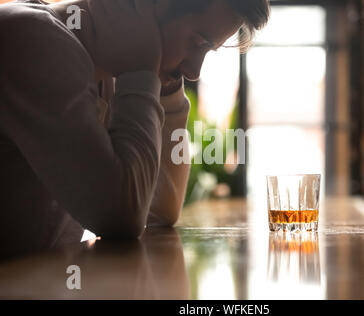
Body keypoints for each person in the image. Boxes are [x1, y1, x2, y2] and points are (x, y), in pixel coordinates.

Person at [0, 0, 269, 258]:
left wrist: (166, 88)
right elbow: (120, 219)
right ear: (146, 4)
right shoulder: (32, 38)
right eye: (197, 42)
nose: (195, 71)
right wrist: (142, 72)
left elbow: (158, 211)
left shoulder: (108, 72)